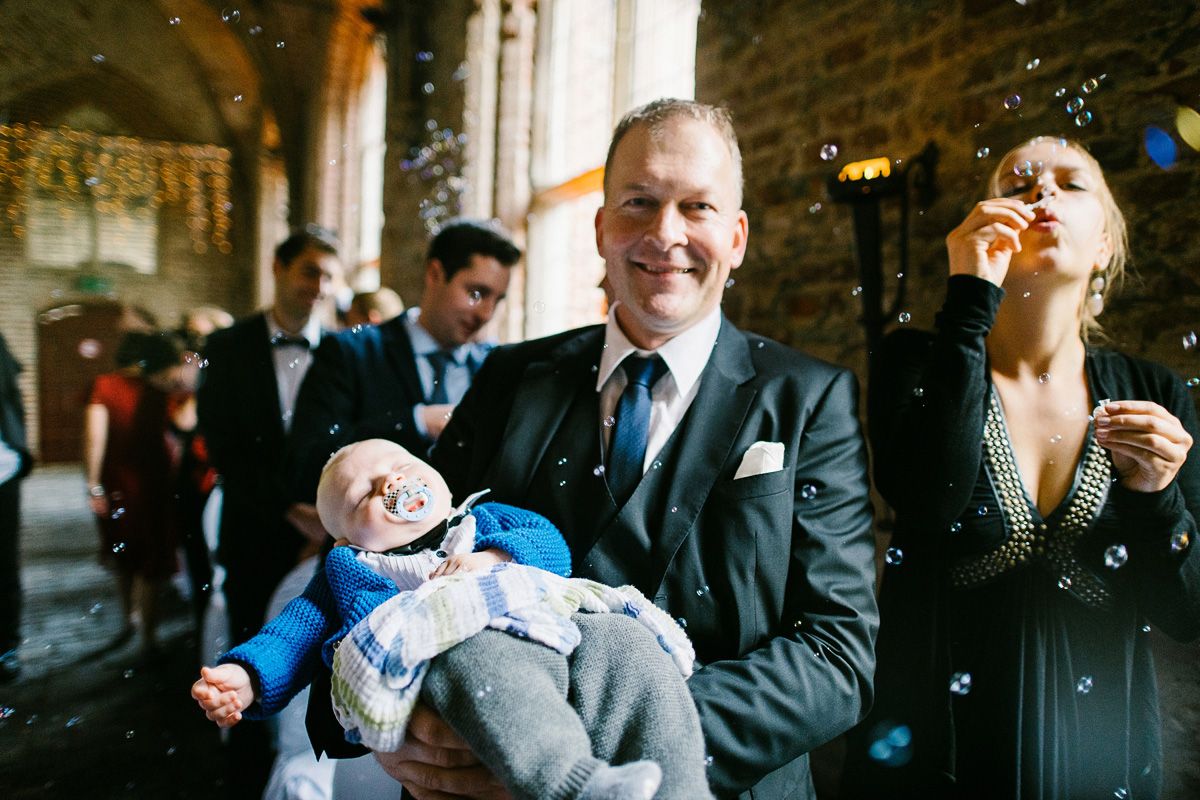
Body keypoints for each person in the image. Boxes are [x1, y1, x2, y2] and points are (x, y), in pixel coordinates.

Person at [304, 99, 879, 800]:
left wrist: (546, 744)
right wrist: (397, 733)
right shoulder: (510, 378)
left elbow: (835, 656)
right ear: (602, 226)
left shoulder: (809, 400)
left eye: (697, 207)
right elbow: (380, 565)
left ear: (736, 237)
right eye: (639, 202)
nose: (665, 234)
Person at [842, 136, 1200, 799]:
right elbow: (928, 497)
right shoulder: (914, 363)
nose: (1042, 192)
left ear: (1104, 248)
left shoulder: (1155, 393)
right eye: (1018, 182)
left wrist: (1156, 496)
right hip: (939, 751)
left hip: (1104, 753)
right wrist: (970, 297)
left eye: (1072, 182)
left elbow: (1185, 613)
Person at [193, 438, 711, 800]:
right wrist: (246, 677)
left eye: (400, 465)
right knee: (482, 654)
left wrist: (493, 559)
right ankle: (573, 785)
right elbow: (296, 630)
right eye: (362, 495)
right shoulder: (355, 569)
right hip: (455, 661)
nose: (390, 482)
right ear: (348, 540)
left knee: (622, 642)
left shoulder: (484, 521)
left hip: (553, 633)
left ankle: (680, 789)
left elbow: (550, 546)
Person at [196, 224, 343, 799]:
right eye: (310, 271)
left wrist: (327, 518)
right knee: (246, 662)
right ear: (279, 268)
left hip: (328, 533)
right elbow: (222, 445)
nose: (319, 287)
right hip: (257, 528)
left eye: (329, 277)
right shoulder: (228, 347)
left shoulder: (342, 348)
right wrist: (288, 509)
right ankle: (244, 779)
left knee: (315, 659)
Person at [285, 219, 520, 507]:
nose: (486, 312)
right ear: (435, 274)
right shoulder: (350, 353)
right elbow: (310, 462)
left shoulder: (496, 365)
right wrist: (416, 421)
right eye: (476, 293)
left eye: (498, 300)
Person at [84, 331, 191, 658]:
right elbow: (183, 431)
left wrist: (92, 484)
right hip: (155, 484)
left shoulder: (104, 385)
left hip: (117, 483)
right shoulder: (166, 390)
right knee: (152, 561)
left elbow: (94, 436)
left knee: (124, 554)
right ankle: (148, 637)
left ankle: (128, 619)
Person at [0, 330, 32, 683]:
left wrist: (17, 444)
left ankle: (6, 648)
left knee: (5, 564)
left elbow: (11, 396)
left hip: (2, 470)